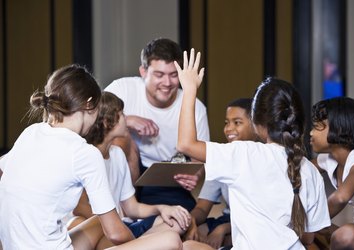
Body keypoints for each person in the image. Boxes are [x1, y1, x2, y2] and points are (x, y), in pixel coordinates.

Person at [175, 49, 331, 249]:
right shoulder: (310, 170)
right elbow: (308, 238)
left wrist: (189, 89)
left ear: (256, 122)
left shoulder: (243, 154)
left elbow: (185, 144)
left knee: (188, 247)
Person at [0, 65, 134, 248]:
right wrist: (139, 244)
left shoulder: (30, 132)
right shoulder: (85, 153)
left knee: (97, 223)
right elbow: (116, 233)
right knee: (170, 240)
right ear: (88, 104)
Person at [69, 91, 191, 249]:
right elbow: (82, 210)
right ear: (107, 122)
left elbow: (132, 208)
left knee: (176, 222)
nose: (126, 119)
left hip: (122, 228)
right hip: (103, 231)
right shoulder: (87, 156)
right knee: (171, 240)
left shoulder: (117, 154)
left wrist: (163, 208)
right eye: (122, 114)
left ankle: (139, 245)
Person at [105, 38, 210, 211]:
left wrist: (193, 175)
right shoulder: (122, 88)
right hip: (127, 172)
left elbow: (199, 157)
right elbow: (94, 122)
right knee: (120, 137)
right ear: (143, 72)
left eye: (174, 75)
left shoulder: (196, 107)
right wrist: (127, 120)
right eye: (159, 75)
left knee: (180, 220)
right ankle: (119, 207)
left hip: (166, 176)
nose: (167, 83)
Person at [184, 97, 257, 249]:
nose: (229, 129)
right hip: (228, 218)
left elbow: (259, 216)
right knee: (191, 235)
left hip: (254, 222)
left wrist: (222, 230)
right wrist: (191, 222)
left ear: (256, 125)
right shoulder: (222, 158)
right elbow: (202, 208)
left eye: (237, 122)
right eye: (226, 122)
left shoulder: (262, 158)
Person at [310, 97, 354, 250]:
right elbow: (298, 170)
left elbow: (340, 198)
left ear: (338, 129)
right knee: (300, 225)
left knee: (345, 234)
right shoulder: (329, 159)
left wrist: (311, 223)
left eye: (318, 126)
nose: (311, 133)